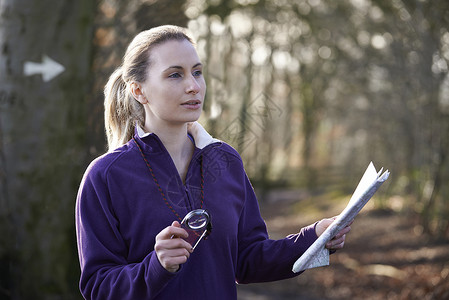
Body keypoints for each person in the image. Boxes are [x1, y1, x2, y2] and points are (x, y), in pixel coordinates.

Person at [75, 25, 351, 300]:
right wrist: (156, 267)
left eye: (197, 72)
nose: (193, 86)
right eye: (175, 75)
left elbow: (247, 260)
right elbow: (98, 287)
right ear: (139, 91)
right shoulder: (105, 176)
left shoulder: (226, 160)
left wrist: (313, 238)